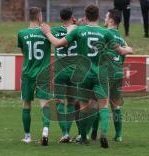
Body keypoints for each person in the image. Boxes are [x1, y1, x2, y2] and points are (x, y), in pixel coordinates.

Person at [41, 4, 133, 148]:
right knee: (103, 106)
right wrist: (129, 49)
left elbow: (58, 44)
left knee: (84, 107)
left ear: (86, 15)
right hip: (99, 74)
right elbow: (121, 51)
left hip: (83, 75)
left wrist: (47, 33)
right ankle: (103, 133)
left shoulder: (79, 30)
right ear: (98, 16)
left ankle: (83, 137)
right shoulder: (106, 33)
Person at [17, 7, 51, 146]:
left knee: (26, 104)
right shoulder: (47, 32)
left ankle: (27, 136)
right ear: (39, 17)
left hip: (27, 73)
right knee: (44, 103)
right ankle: (45, 130)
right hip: (43, 73)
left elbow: (24, 52)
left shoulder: (22, 33)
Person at [91, 9, 126, 142]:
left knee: (98, 103)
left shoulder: (104, 34)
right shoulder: (122, 39)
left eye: (106, 17)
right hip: (118, 73)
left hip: (105, 72)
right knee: (116, 105)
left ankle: (94, 133)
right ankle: (118, 135)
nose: (104, 19)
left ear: (111, 20)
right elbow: (123, 55)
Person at [51, 7, 80, 143]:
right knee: (73, 102)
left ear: (60, 17)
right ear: (72, 16)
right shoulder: (78, 30)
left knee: (59, 102)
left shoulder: (55, 31)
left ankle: (65, 133)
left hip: (60, 71)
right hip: (74, 71)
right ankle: (75, 133)